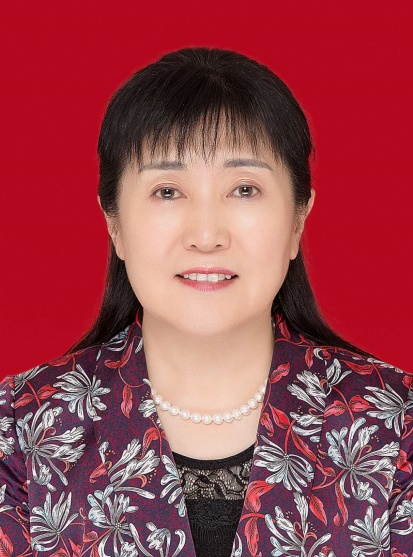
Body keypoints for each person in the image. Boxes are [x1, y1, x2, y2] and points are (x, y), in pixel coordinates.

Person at [0, 47, 411, 557]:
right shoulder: (20, 434)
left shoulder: (396, 427)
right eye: (168, 191)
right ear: (114, 222)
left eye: (244, 189)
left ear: (298, 219)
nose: (207, 234)